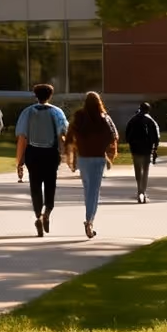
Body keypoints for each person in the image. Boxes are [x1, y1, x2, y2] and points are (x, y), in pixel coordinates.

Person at [13, 82, 68, 236]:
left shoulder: (27, 112)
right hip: (50, 153)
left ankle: (37, 215)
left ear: (36, 95)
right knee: (50, 185)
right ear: (50, 95)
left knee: (35, 185)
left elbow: (22, 138)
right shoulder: (57, 113)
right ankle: (47, 213)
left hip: (33, 153)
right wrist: (67, 155)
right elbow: (62, 135)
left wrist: (19, 162)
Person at [65, 89, 118, 239]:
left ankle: (89, 220)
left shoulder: (79, 117)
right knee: (94, 192)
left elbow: (70, 135)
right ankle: (89, 221)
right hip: (98, 159)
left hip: (83, 159)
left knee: (88, 190)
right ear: (99, 102)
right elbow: (114, 135)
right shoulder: (104, 117)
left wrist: (71, 156)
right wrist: (108, 153)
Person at [122, 100, 162, 203]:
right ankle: (142, 192)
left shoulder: (133, 119)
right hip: (146, 149)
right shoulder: (150, 120)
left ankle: (139, 190)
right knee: (145, 171)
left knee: (138, 170)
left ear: (140, 108)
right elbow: (156, 136)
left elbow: (127, 135)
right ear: (148, 110)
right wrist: (155, 148)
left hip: (135, 149)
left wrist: (131, 143)